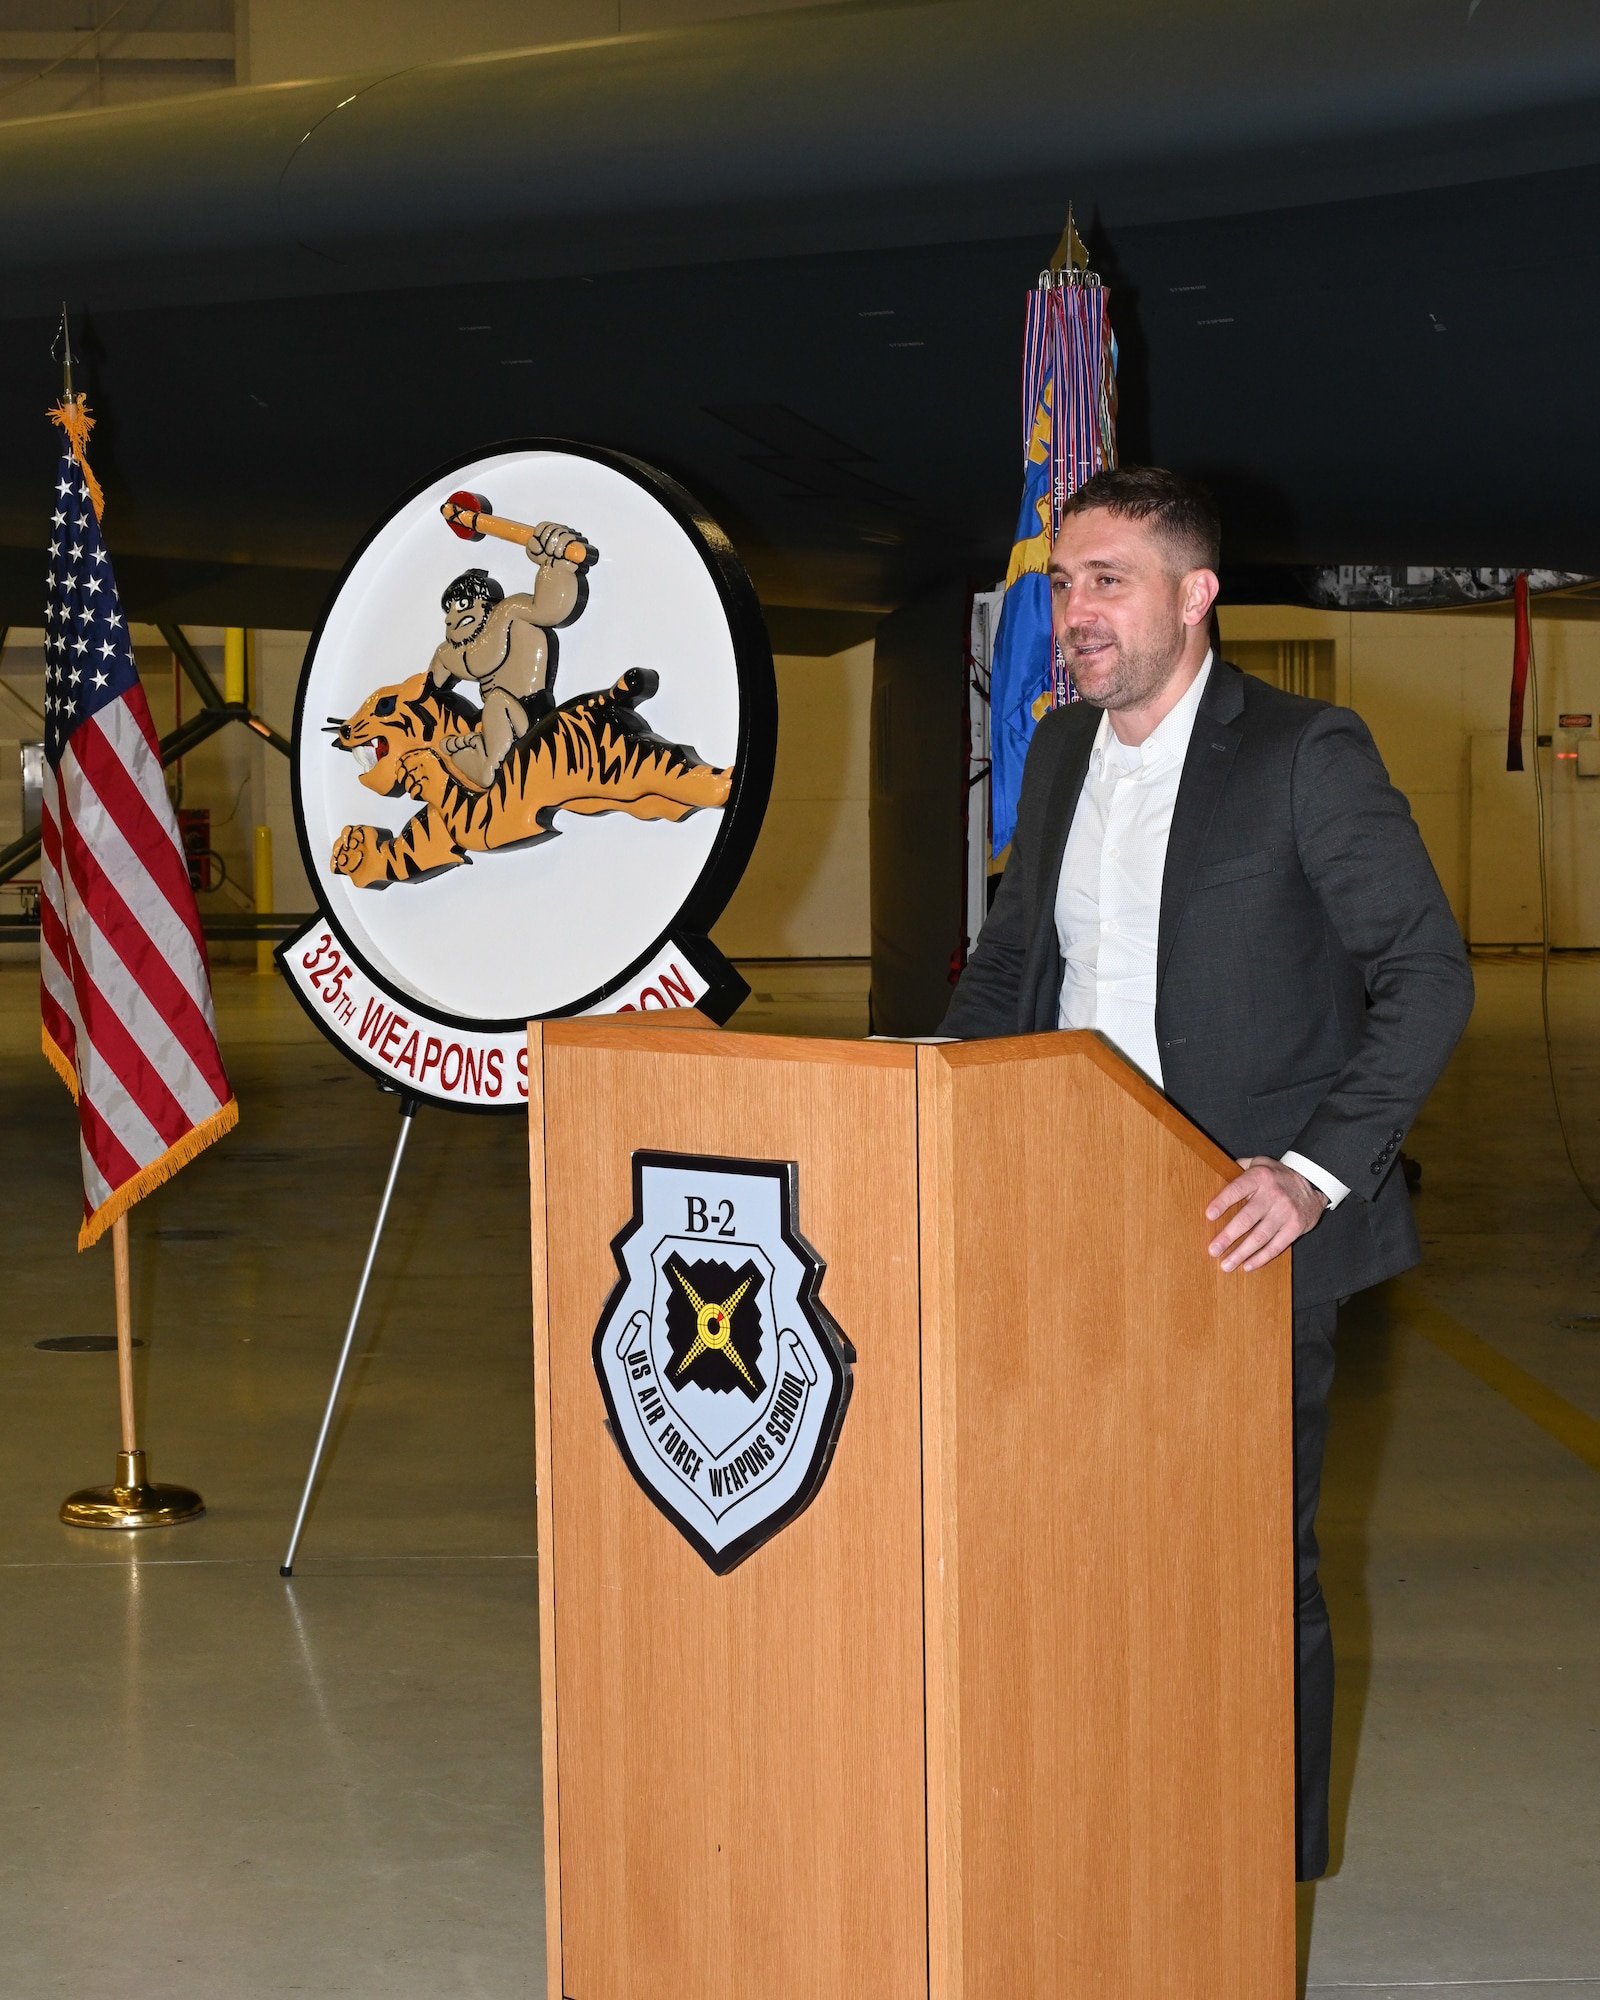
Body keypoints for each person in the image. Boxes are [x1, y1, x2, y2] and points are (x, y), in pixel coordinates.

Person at [941, 465, 1473, 1879]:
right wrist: (929, 1111)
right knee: (1075, 1551)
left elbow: (1425, 974)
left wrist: (1310, 1174)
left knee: (1240, 1574)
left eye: (1108, 581)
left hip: (1243, 1235)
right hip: (1070, 1219)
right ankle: (1109, 1836)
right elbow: (1011, 969)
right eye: (1064, 583)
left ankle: (1251, 1881)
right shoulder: (1057, 754)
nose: (1075, 613)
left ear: (1196, 595)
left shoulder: (1307, 754)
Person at [428, 524, 589, 787]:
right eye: (449, 609)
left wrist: (554, 564)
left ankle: (487, 766)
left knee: (496, 701)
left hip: (530, 712)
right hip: (496, 725)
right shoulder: (454, 652)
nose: (450, 618)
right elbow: (427, 688)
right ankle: (483, 753)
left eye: (461, 605)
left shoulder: (511, 614)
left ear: (485, 603)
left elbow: (550, 609)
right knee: (458, 742)